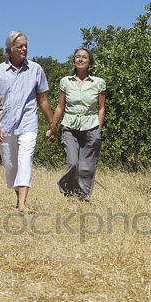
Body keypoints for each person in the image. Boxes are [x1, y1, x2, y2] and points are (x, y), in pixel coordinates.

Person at [0, 31, 53, 213]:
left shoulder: (36, 69)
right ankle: (19, 200)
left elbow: (43, 99)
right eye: (20, 46)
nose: (24, 49)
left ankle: (22, 204)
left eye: (25, 45)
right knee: (11, 166)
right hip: (5, 125)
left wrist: (52, 123)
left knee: (25, 160)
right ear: (10, 49)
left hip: (28, 123)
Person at [47, 47, 106, 201]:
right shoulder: (65, 81)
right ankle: (68, 189)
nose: (80, 59)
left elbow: (101, 108)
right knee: (73, 163)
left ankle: (81, 197)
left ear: (89, 63)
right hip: (70, 127)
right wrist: (52, 128)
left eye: (84, 57)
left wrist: (99, 128)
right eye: (77, 57)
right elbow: (60, 106)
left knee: (87, 166)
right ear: (73, 61)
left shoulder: (99, 82)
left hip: (91, 126)